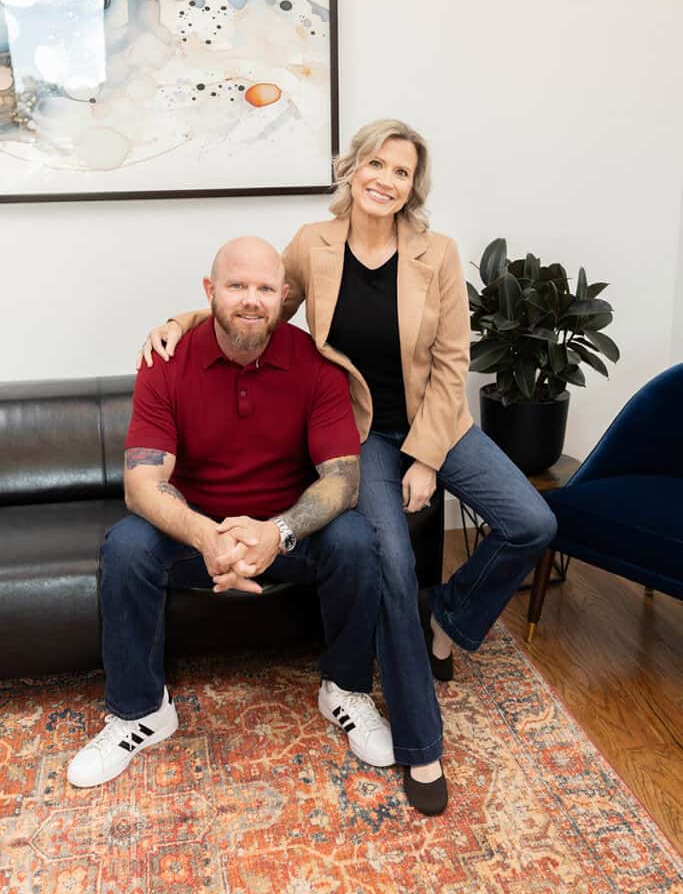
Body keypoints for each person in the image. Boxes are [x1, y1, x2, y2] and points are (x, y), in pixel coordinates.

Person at [139, 120, 558, 816]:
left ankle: (447, 621)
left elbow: (454, 362)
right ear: (352, 168)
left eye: (401, 172)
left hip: (437, 422)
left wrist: (426, 457)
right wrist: (185, 320)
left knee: (531, 522)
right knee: (391, 564)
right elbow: (258, 307)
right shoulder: (313, 245)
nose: (385, 180)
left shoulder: (438, 252)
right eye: (376, 163)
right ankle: (422, 747)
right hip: (362, 431)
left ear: (411, 187)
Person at [67, 237, 394, 790]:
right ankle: (141, 711)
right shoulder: (166, 361)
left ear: (284, 296)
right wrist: (205, 535)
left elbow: (343, 479)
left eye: (265, 288)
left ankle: (345, 689)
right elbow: (142, 484)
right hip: (197, 534)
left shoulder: (316, 365)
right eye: (237, 285)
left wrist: (278, 532)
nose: (251, 299)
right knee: (126, 545)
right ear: (209, 291)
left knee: (357, 539)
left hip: (285, 533)